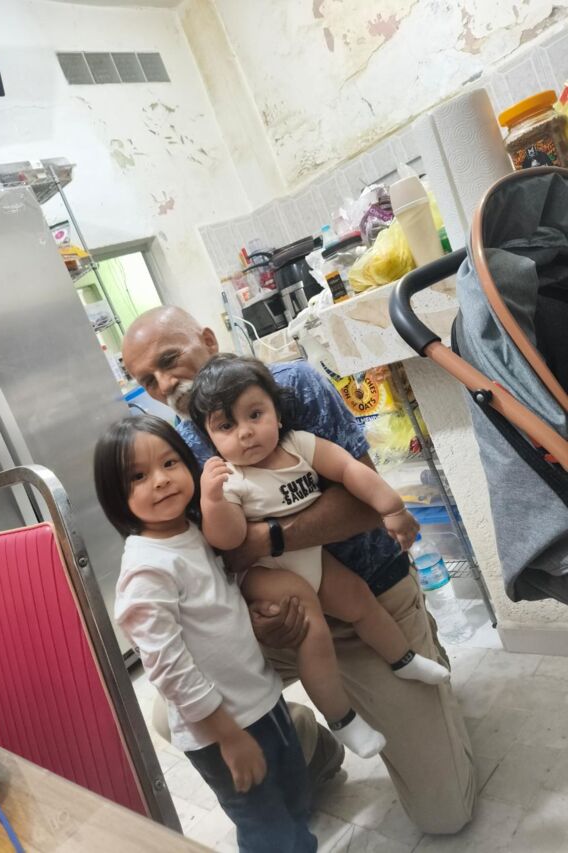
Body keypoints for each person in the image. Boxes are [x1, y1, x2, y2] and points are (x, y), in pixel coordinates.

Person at [121, 305, 477, 834]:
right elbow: (213, 553)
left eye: (169, 360)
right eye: (148, 380)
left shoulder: (292, 388)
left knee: (445, 814)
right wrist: (252, 612)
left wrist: (268, 538)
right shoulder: (178, 448)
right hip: (281, 618)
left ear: (209, 340)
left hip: (367, 595)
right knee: (176, 715)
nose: (165, 383)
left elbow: (365, 502)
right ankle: (308, 746)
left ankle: (421, 663)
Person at [190, 353, 451, 759]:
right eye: (226, 426)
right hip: (266, 573)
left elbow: (349, 469)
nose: (245, 432)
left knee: (359, 599)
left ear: (277, 413)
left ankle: (403, 659)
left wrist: (392, 508)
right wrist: (211, 499)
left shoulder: (298, 445)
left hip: (311, 557)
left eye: (255, 414)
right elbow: (231, 538)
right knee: (312, 631)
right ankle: (342, 719)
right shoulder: (230, 480)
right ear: (211, 439)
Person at [94, 414, 317, 853]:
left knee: (294, 796)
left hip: (261, 698)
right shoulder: (146, 569)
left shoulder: (192, 529)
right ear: (116, 495)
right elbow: (169, 668)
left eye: (170, 463)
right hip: (220, 730)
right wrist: (228, 736)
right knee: (265, 827)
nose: (161, 480)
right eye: (138, 476)